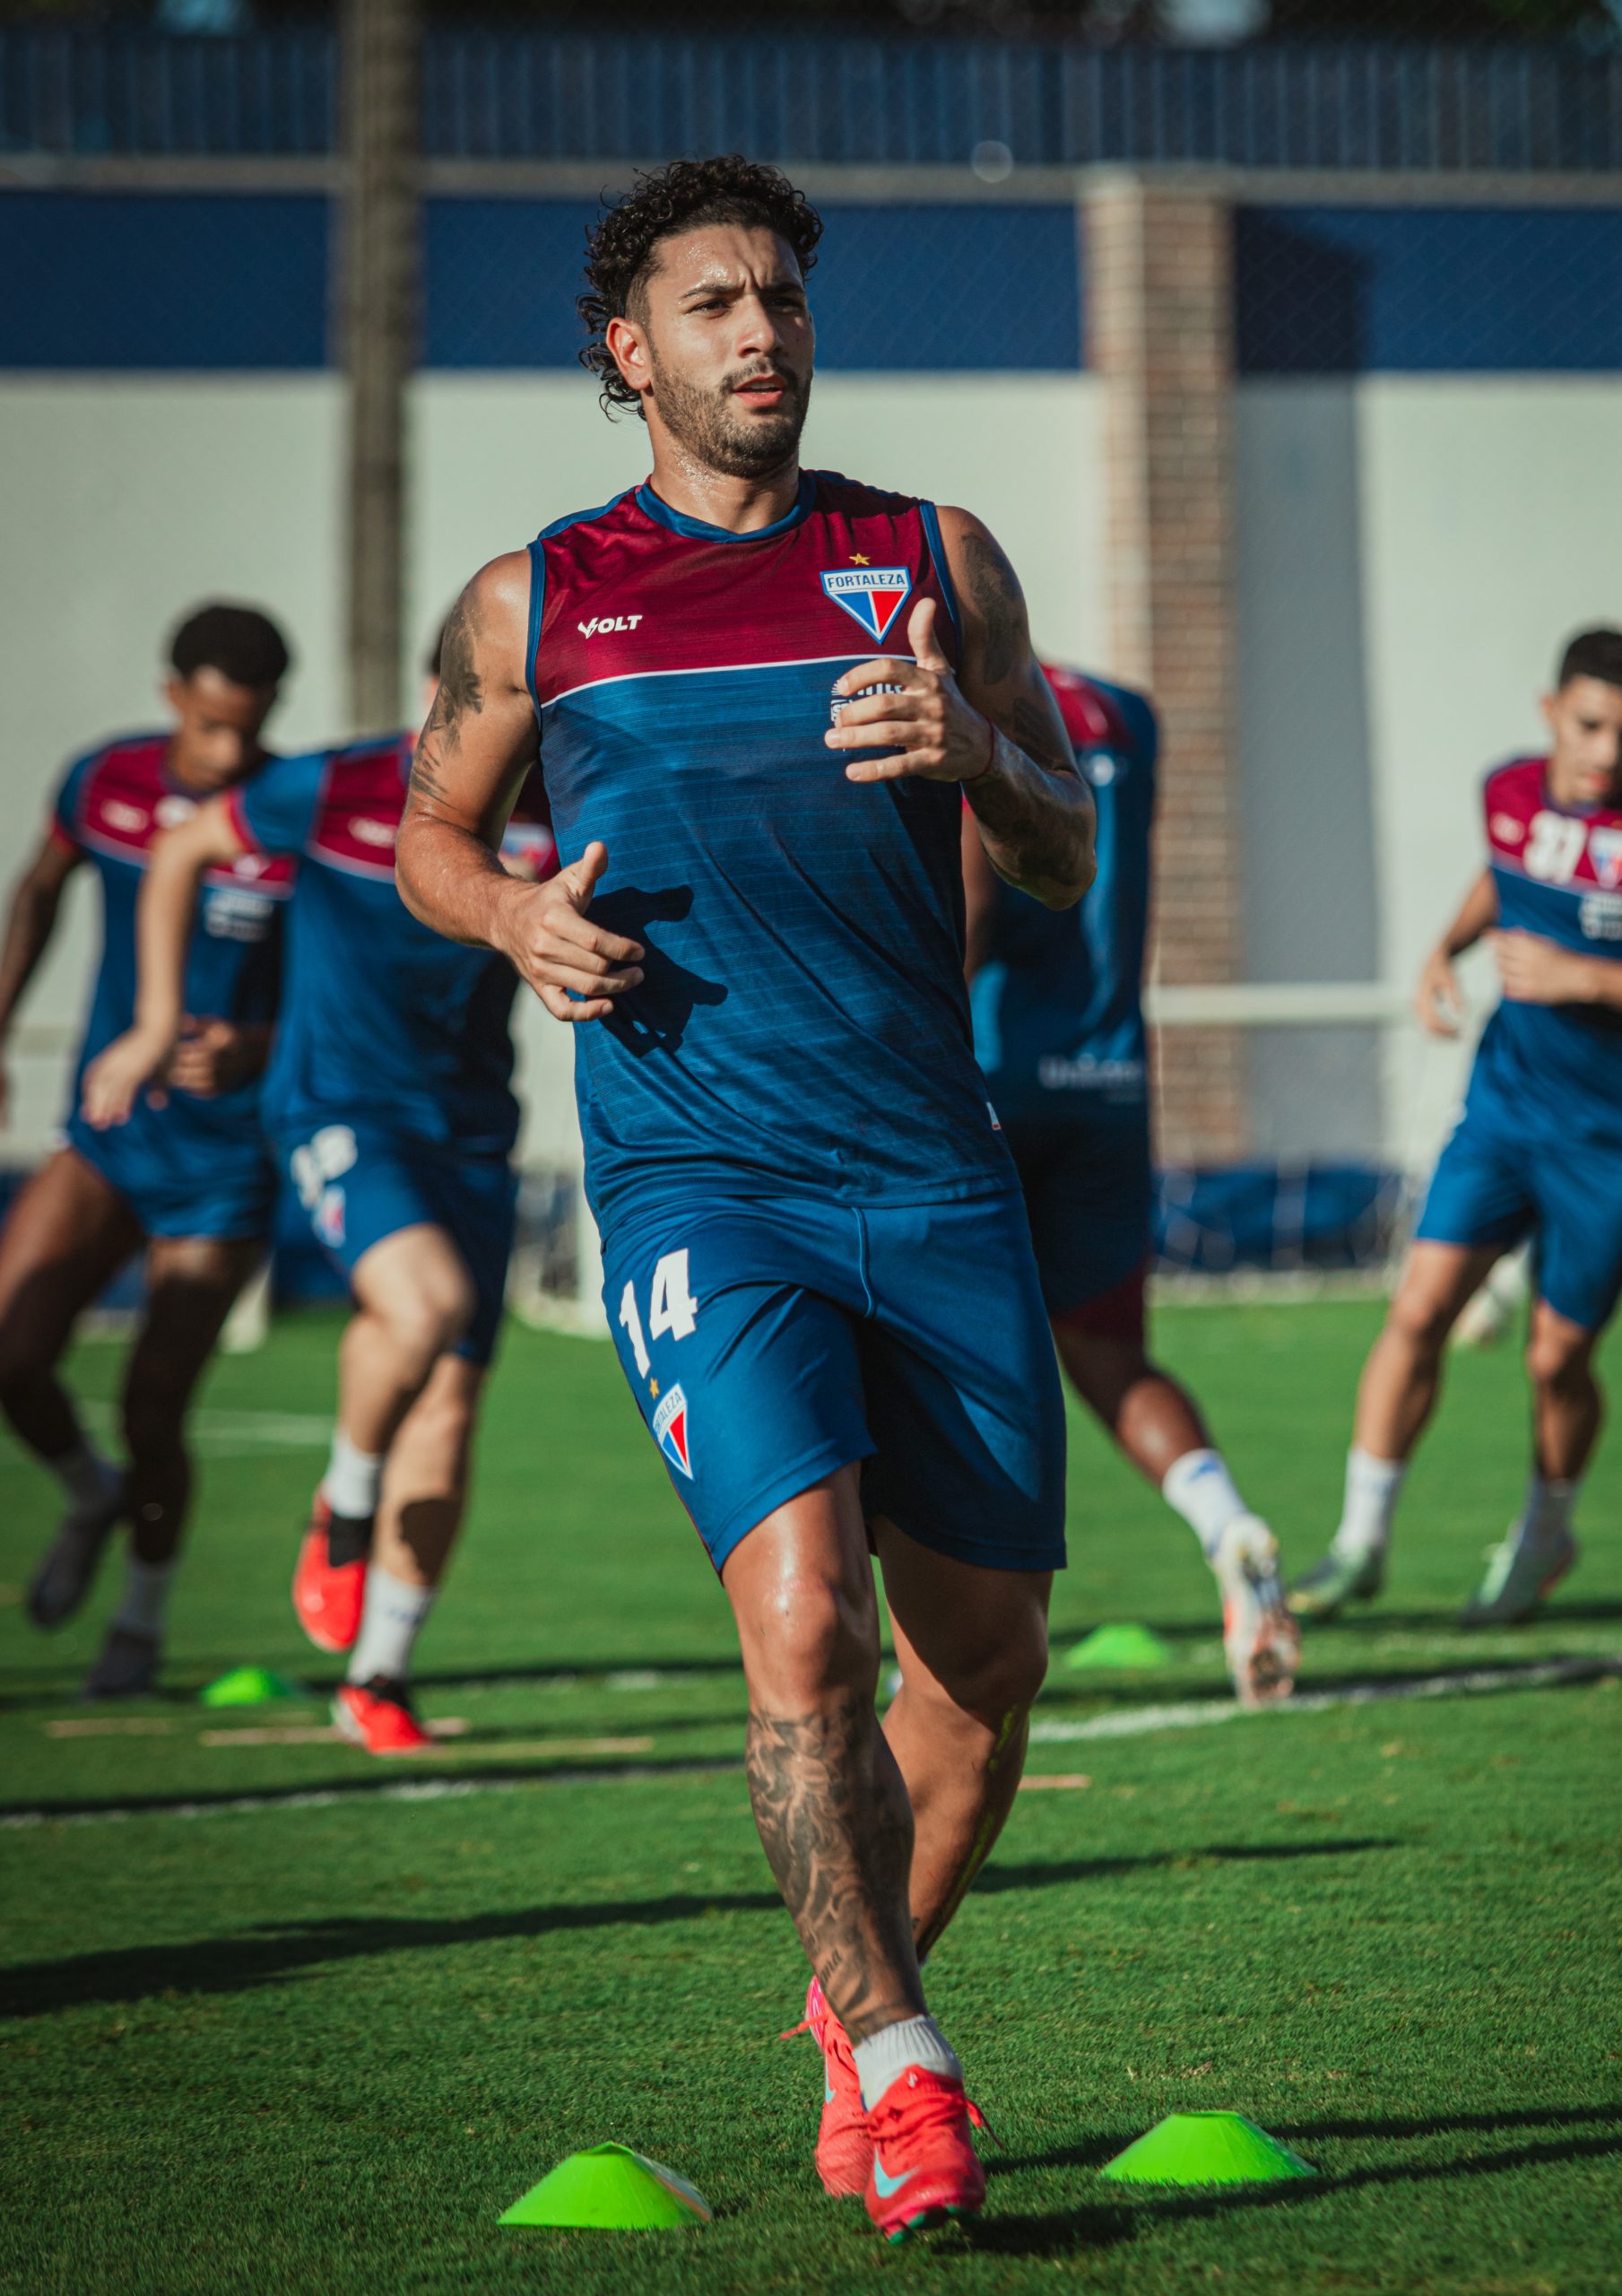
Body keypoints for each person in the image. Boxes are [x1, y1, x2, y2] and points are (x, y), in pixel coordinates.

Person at [392, 155, 1095, 2240]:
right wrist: (513, 911)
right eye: (711, 306)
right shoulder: (539, 600)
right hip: (704, 1182)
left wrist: (974, 741)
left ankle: (846, 1994)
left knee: (982, 1666)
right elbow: (427, 831)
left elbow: (1061, 845)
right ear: (631, 352)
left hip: (934, 1174)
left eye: (777, 298)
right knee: (805, 1633)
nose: (760, 333)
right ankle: (901, 2056)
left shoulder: (925, 553)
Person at [82, 639, 555, 1756]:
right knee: (424, 1302)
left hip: (474, 1134)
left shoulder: (566, 807)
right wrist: (153, 1024)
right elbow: (182, 849)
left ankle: (378, 1673)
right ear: (444, 690)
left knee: (448, 1405)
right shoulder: (337, 784)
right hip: (338, 1106)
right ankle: (342, 1502)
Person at [1291, 628, 1622, 1626]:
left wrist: (1584, 977)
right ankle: (1359, 1543)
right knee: (1417, 1309)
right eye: (1588, 726)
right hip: (1504, 1106)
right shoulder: (1505, 789)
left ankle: (1544, 1535)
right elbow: (1504, 875)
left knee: (1553, 1358)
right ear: (1549, 712)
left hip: (1616, 1135)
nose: (1605, 752)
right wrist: (1444, 948)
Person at [962, 663, 1298, 1703]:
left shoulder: (960, 705)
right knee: (1107, 1349)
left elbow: (967, 901)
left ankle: (975, 1626)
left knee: (947, 1356)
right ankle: (1226, 1525)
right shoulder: (1129, 714)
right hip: (1106, 1081)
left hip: (987, 1078)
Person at [0, 603, 293, 1696]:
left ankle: (141, 1614)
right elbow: (35, 894)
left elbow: (342, 980)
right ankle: (87, 1493)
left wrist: (260, 1046)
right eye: (209, 725)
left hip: (228, 1159)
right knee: (12, 1356)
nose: (226, 752)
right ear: (174, 694)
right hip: (112, 1128)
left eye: (247, 728)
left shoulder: (289, 809)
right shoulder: (103, 783)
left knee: (154, 1400)